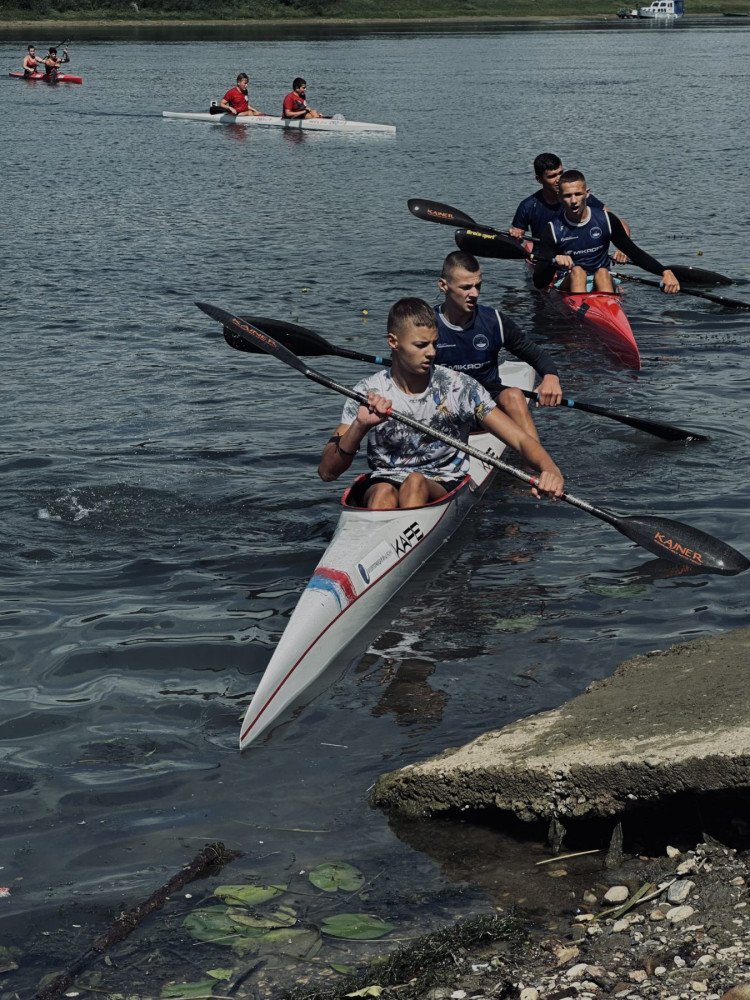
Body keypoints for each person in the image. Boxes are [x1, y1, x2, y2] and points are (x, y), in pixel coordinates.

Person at [318, 297, 564, 510]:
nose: (431, 353)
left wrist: (549, 469)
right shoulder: (367, 392)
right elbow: (327, 472)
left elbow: (520, 440)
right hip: (383, 483)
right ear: (393, 342)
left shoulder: (460, 388)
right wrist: (360, 425)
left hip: (441, 481)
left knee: (415, 482)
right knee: (383, 492)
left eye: (434, 343)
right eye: (421, 345)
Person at [434, 251, 562, 443]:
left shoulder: (494, 321)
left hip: (488, 410)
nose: (474, 294)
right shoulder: (426, 325)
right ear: (443, 286)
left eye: (478, 286)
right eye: (466, 287)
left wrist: (551, 377)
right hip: (443, 409)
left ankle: (535, 459)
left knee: (514, 395)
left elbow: (537, 355)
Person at [533, 169, 680, 295]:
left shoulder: (606, 220)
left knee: (602, 272)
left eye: (578, 194)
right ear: (559, 197)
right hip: (570, 281)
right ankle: (582, 313)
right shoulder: (552, 229)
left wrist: (665, 272)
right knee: (578, 272)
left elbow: (634, 253)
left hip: (602, 279)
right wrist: (553, 262)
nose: (573, 201)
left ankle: (606, 309)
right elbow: (539, 282)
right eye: (567, 195)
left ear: (587, 193)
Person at [510, 152, 630, 265]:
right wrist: (516, 237)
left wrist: (623, 249)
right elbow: (516, 240)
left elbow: (621, 224)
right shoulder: (528, 206)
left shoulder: (581, 198)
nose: (558, 180)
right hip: (545, 260)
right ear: (539, 179)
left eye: (560, 173)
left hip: (576, 258)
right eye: (552, 176)